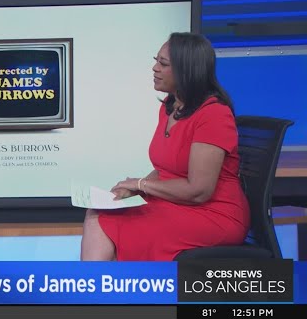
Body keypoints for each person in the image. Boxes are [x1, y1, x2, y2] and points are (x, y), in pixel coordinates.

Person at [81, 32, 250, 261]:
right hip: (177, 203)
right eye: (156, 61)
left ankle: (106, 283)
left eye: (163, 64)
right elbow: (165, 169)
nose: (155, 68)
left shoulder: (214, 115)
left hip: (214, 214)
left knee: (110, 222)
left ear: (186, 70)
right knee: (99, 213)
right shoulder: (170, 107)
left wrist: (141, 184)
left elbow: (199, 191)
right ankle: (100, 284)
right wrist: (135, 190)